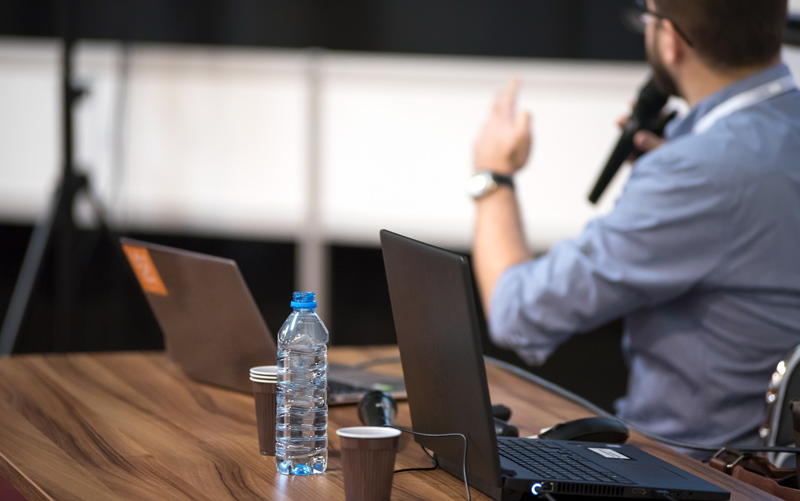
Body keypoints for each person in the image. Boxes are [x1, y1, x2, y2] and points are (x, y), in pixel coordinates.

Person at [469, 0, 800, 453]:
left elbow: (518, 312)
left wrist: (494, 177)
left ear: (669, 39)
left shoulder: (694, 173)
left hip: (694, 471)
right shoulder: (728, 154)